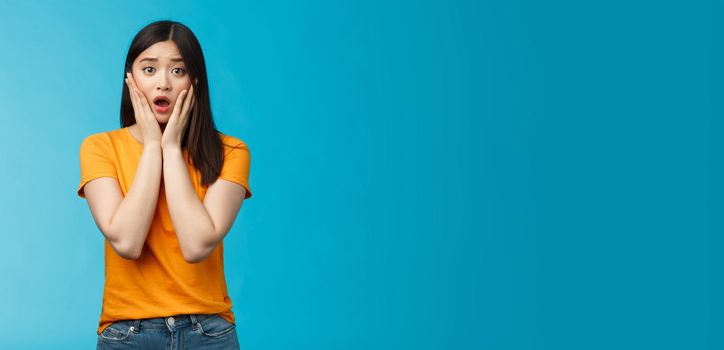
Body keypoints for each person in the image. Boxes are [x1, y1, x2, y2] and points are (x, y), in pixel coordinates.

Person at [77, 20, 252, 349]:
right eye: (149, 69)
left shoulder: (232, 152)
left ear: (195, 81)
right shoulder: (100, 148)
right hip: (127, 333)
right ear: (130, 79)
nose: (163, 83)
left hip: (208, 331)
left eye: (177, 71)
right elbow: (128, 242)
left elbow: (196, 246)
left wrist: (171, 149)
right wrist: (152, 149)